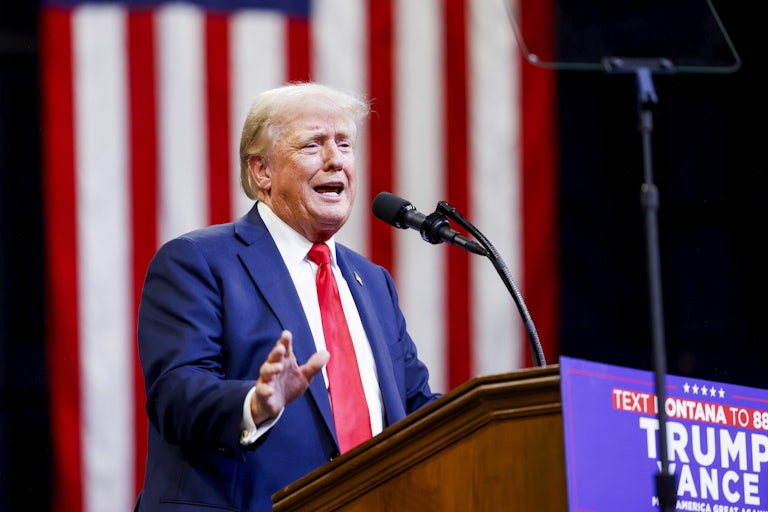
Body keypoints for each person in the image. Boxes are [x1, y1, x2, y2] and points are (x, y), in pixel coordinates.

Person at [134, 82, 441, 512]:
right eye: (313, 145)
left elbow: (416, 409)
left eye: (344, 144)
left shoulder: (372, 282)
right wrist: (254, 404)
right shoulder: (197, 261)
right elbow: (175, 394)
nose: (335, 160)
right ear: (261, 172)